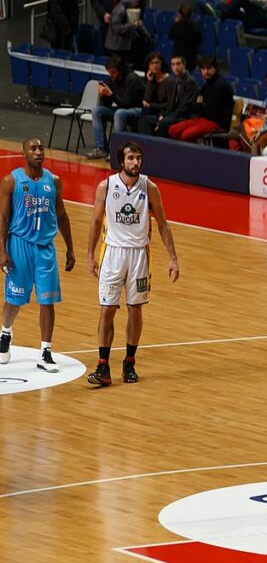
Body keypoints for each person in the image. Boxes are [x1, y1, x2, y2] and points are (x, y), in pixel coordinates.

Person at [84, 142, 179, 386]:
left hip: (139, 255)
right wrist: (90, 255)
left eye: (138, 158)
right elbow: (95, 222)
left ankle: (129, 362)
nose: (135, 162)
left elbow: (163, 224)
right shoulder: (106, 186)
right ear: (121, 161)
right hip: (112, 254)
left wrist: (173, 258)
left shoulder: (150, 188)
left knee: (135, 308)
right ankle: (103, 366)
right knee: (107, 309)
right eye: (131, 158)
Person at [0, 138, 75, 372]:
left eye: (41, 148)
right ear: (23, 153)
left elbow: (61, 215)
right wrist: (2, 250)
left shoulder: (54, 181)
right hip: (18, 245)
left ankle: (46, 352)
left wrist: (70, 247)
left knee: (47, 300)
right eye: (33, 148)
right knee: (14, 300)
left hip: (45, 248)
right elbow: (3, 218)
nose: (38, 152)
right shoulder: (11, 181)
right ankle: (5, 332)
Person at [86, 55, 145, 160]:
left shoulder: (132, 78)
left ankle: (116, 151)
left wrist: (111, 94)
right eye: (109, 72)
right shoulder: (112, 78)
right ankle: (101, 148)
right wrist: (103, 95)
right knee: (97, 111)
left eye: (113, 72)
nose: (110, 75)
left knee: (119, 113)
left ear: (120, 70)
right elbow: (107, 105)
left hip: (137, 109)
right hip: (122, 108)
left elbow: (127, 104)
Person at [167, 56, 235, 144]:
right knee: (173, 130)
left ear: (215, 68)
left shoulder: (221, 85)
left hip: (218, 123)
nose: (206, 71)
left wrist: (201, 105)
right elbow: (194, 107)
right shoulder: (206, 86)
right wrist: (201, 105)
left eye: (209, 68)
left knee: (186, 135)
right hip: (204, 119)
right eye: (203, 69)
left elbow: (208, 110)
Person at [139, 54, 200, 137]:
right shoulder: (176, 80)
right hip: (173, 114)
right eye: (173, 64)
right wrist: (163, 115)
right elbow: (171, 105)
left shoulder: (190, 81)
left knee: (164, 122)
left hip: (184, 116)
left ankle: (160, 144)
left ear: (184, 64)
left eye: (178, 64)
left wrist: (166, 117)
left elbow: (185, 107)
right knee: (146, 120)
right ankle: (147, 143)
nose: (176, 67)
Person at [169, 5, 202, 71]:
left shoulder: (176, 25)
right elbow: (199, 41)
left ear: (180, 14)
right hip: (191, 58)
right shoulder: (195, 26)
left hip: (178, 57)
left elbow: (170, 35)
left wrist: (176, 23)